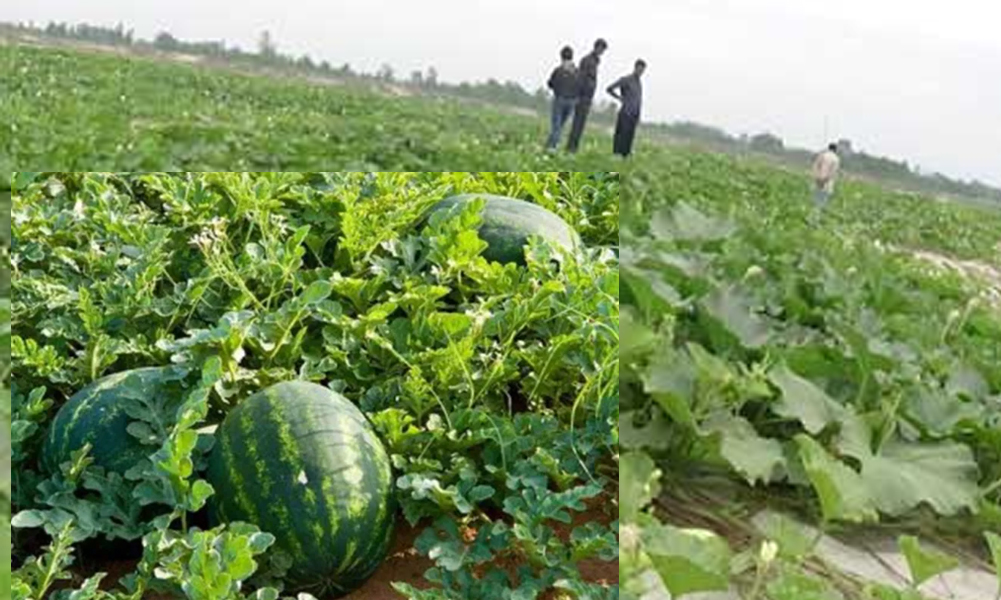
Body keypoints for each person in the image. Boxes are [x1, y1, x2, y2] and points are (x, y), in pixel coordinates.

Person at [566, 38, 608, 153]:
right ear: (597, 47)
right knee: (577, 124)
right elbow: (581, 79)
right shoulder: (587, 60)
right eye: (602, 49)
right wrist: (578, 96)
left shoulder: (595, 61)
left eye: (603, 50)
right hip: (582, 97)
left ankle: (573, 148)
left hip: (587, 98)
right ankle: (571, 149)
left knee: (580, 125)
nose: (602, 52)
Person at [607, 59, 646, 157]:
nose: (641, 72)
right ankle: (616, 154)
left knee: (630, 135)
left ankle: (626, 154)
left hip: (634, 113)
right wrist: (619, 98)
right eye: (639, 69)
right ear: (635, 67)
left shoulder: (639, 83)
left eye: (642, 70)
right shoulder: (626, 79)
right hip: (625, 112)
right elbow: (609, 88)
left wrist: (638, 114)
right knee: (621, 134)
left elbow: (638, 99)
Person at [545, 46, 579, 150]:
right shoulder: (577, 71)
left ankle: (552, 148)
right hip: (572, 102)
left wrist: (557, 88)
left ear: (561, 56)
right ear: (572, 57)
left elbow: (550, 83)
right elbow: (580, 86)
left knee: (556, 126)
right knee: (560, 127)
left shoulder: (558, 70)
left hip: (560, 99)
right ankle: (548, 146)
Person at [812, 143, 841, 211]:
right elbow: (833, 172)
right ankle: (819, 213)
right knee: (823, 199)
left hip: (818, 179)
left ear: (829, 148)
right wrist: (824, 180)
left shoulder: (822, 155)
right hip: (827, 181)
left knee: (816, 198)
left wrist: (817, 177)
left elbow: (815, 166)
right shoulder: (836, 159)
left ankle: (814, 212)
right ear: (835, 150)